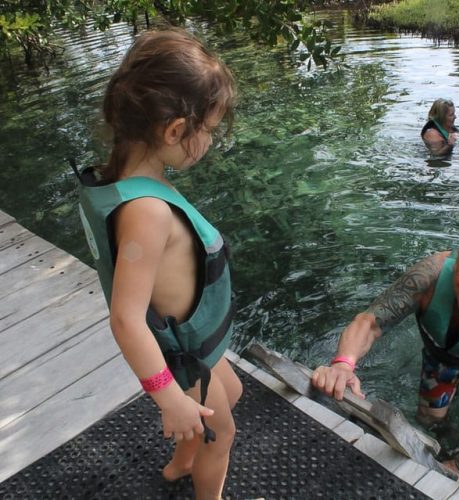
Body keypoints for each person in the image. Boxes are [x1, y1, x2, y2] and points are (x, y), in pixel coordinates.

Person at [72, 29, 242, 500]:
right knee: (220, 433)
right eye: (207, 128)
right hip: (180, 361)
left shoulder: (123, 180)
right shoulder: (146, 212)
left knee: (235, 394)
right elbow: (126, 319)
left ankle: (179, 467)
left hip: (187, 346)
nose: (209, 139)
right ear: (173, 131)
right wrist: (167, 396)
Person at [311, 230, 459, 483]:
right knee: (429, 418)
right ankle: (440, 434)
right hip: (440, 352)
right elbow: (371, 321)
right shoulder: (430, 274)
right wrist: (343, 364)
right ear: (458, 259)